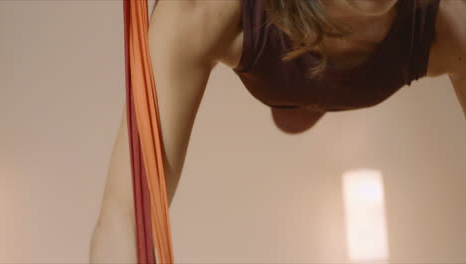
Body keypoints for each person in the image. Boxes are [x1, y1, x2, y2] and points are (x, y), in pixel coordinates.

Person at [89, 0, 465, 262]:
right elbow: (127, 211)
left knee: (299, 110)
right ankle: (297, 104)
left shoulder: (448, 21)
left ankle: (305, 103)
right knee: (293, 110)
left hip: (358, 73)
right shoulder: (205, 9)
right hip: (276, 61)